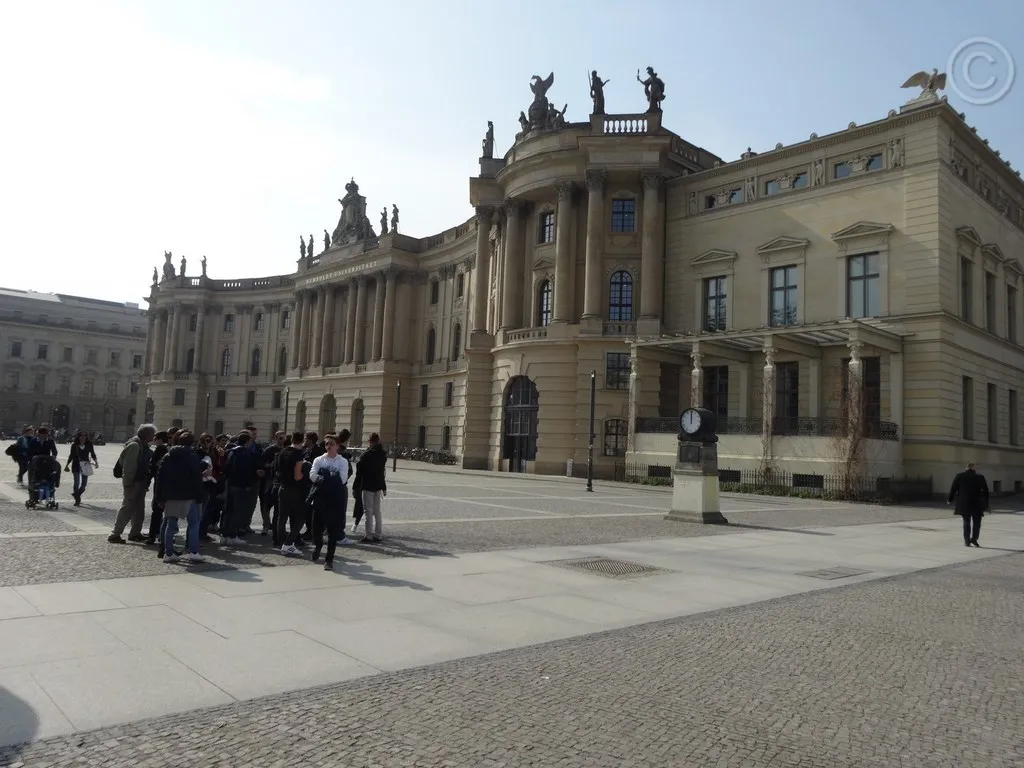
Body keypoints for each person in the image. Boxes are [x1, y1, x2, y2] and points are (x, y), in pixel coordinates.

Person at [153, 431, 206, 563]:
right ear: (192, 443)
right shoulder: (192, 457)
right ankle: (193, 552)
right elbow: (196, 478)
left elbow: (160, 478)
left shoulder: (167, 456)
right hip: (189, 495)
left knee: (170, 524)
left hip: (171, 495)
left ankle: (168, 553)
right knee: (194, 523)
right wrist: (200, 496)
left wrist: (159, 497)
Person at [109, 424, 157, 544]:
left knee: (139, 509)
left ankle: (135, 533)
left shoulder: (144, 447)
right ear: (147, 435)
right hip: (133, 482)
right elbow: (128, 468)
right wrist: (128, 485)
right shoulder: (135, 446)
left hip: (141, 482)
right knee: (127, 507)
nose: (154, 436)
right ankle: (115, 534)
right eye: (152, 434)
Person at [308, 435, 351, 570]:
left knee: (332, 531)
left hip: (335, 499)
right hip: (320, 498)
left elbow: (342, 479)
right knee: (316, 529)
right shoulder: (319, 459)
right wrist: (330, 476)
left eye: (332, 444)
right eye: (327, 444)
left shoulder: (342, 461)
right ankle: (318, 546)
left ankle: (329, 559)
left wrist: (324, 476)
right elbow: (313, 475)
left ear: (337, 446)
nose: (329, 446)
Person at [220, 431, 260, 546]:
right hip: (240, 486)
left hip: (230, 484)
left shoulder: (230, 452)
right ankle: (232, 535)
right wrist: (248, 484)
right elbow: (246, 471)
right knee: (237, 512)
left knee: (228, 511)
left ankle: (224, 535)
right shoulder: (246, 453)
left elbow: (226, 468)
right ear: (247, 441)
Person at [275, 432, 308, 556]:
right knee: (300, 516)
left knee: (281, 517)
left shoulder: (282, 452)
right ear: (302, 441)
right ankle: (288, 543)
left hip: (282, 487)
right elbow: (297, 476)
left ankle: (281, 542)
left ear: (292, 439)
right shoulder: (298, 454)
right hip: (294, 489)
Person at [948, 461, 990, 547]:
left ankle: (967, 540)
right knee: (977, 522)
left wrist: (949, 499)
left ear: (966, 468)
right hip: (977, 503)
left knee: (966, 521)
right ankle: (974, 539)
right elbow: (986, 491)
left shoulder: (959, 476)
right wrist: (986, 502)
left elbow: (953, 488)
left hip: (964, 503)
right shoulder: (980, 477)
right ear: (973, 468)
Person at [356, 433, 388, 543]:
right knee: (377, 511)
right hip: (378, 484)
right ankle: (378, 534)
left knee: (368, 511)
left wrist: (356, 486)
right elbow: (382, 472)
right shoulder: (383, 454)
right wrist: (384, 486)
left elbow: (359, 471)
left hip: (368, 485)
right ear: (378, 440)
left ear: (369, 441)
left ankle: (369, 535)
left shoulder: (366, 454)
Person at [144, 431, 171, 545]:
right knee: (168, 511)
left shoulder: (160, 449)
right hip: (170, 484)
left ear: (160, 439)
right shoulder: (171, 449)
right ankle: (163, 534)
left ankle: (153, 535)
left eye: (155, 437)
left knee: (157, 509)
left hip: (160, 483)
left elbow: (152, 467)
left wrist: (147, 483)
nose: (154, 439)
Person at [64, 430, 98, 506]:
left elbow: (92, 453)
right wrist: (67, 465)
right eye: (81, 435)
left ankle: (76, 494)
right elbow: (71, 456)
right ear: (78, 437)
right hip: (76, 465)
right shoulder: (74, 445)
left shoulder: (89, 444)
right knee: (76, 483)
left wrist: (96, 462)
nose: (83, 437)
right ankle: (77, 500)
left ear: (86, 437)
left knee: (84, 485)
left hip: (85, 465)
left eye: (84, 435)